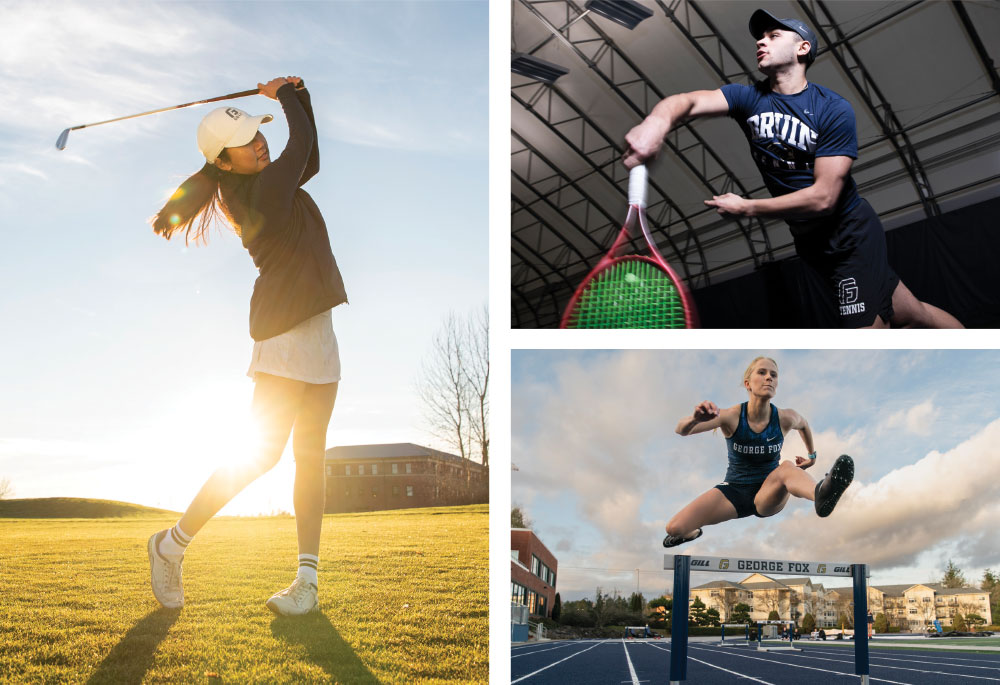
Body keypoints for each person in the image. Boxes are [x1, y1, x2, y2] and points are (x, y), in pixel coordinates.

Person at [145, 76, 348, 616]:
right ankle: (171, 545)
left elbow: (311, 157)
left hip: (320, 333)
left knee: (311, 459)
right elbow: (299, 146)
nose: (261, 141)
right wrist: (283, 95)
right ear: (225, 162)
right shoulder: (259, 192)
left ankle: (306, 584)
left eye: (260, 133)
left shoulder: (266, 181)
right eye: (248, 140)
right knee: (262, 455)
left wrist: (301, 94)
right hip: (283, 332)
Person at [624, 9, 963, 329]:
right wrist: (657, 122)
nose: (761, 41)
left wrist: (747, 206)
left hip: (849, 237)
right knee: (913, 313)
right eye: (761, 37)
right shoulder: (747, 98)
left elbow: (823, 198)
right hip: (812, 244)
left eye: (773, 35)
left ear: (802, 48)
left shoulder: (832, 109)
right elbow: (688, 101)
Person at [663, 356, 853, 548]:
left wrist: (812, 457)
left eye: (773, 375)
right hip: (733, 491)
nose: (769, 378)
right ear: (748, 383)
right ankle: (692, 532)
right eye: (762, 372)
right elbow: (681, 429)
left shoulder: (785, 417)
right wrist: (695, 419)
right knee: (674, 528)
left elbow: (804, 425)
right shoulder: (731, 416)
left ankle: (821, 493)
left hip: (768, 491)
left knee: (786, 466)